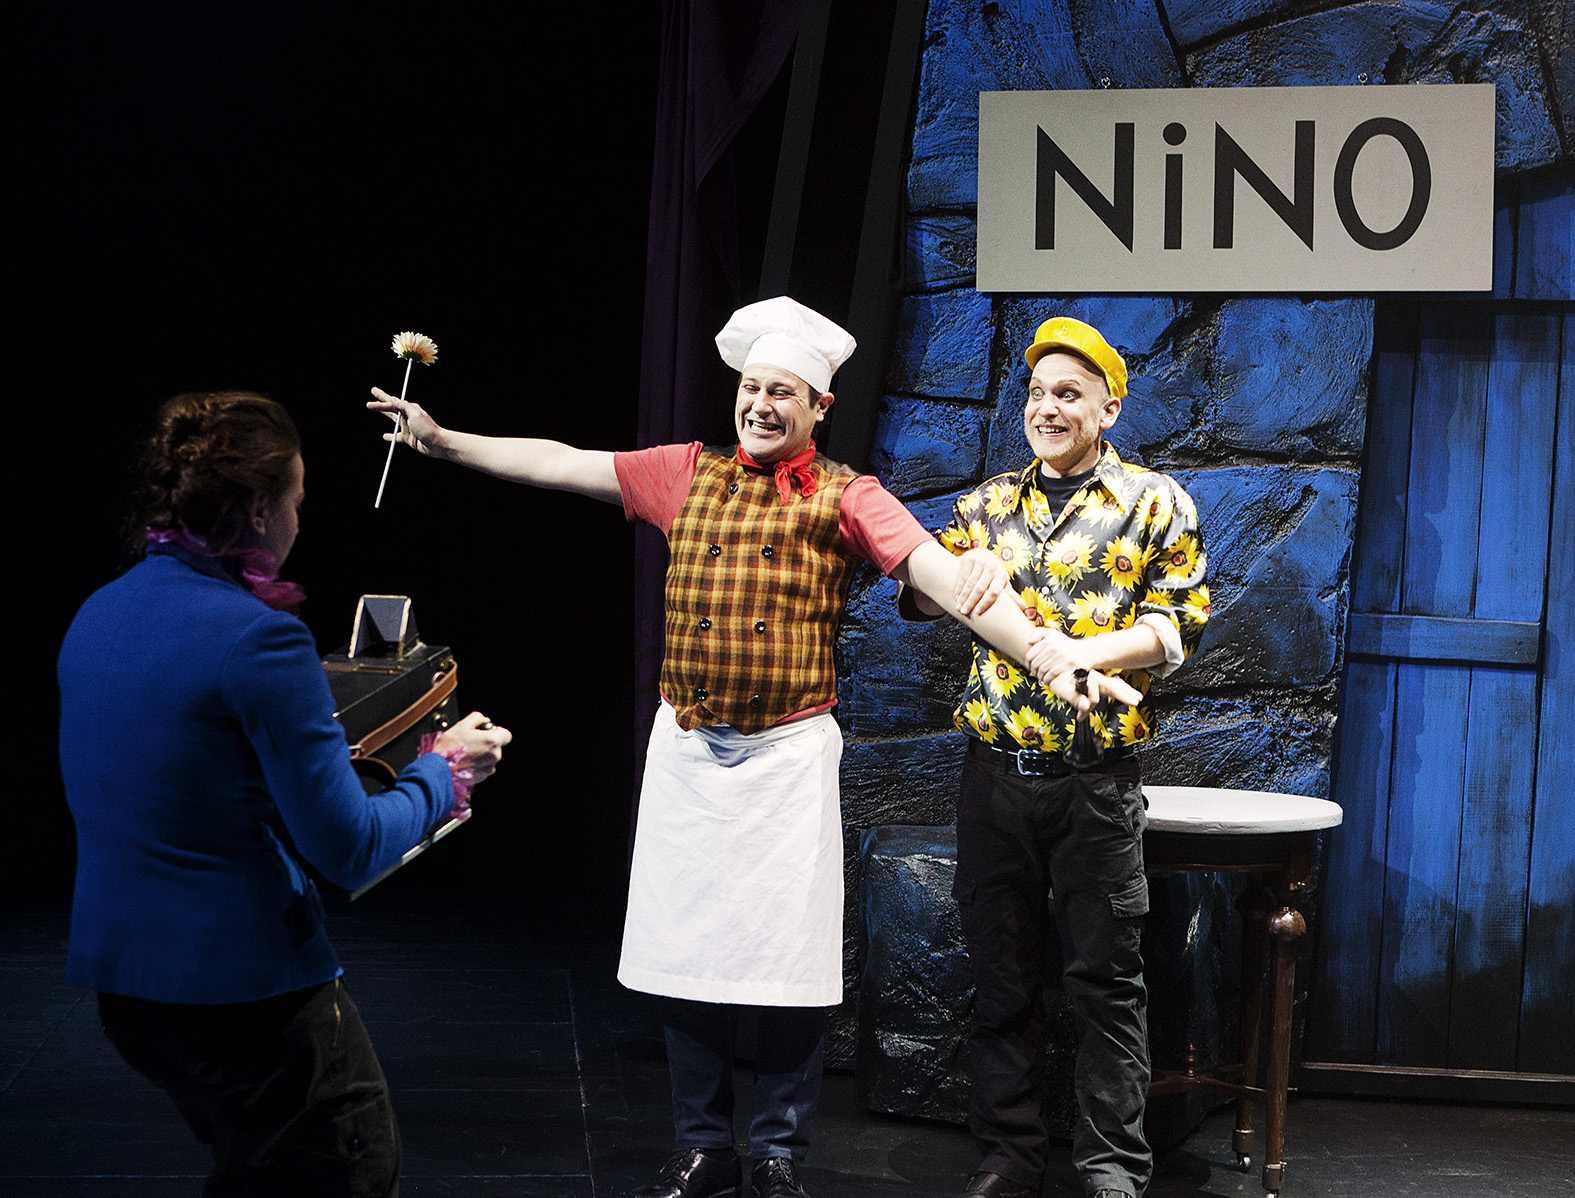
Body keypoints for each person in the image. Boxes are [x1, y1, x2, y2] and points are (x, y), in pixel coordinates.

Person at [368, 297, 1131, 1198]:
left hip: (785, 756)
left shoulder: (849, 495)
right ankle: (703, 1145)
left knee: (785, 963)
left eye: (783, 393)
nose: (761, 405)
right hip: (690, 751)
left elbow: (949, 581)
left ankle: (774, 1152)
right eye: (751, 388)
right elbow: (563, 463)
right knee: (684, 953)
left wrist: (1053, 659)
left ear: (819, 408)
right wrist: (443, 441)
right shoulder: (682, 474)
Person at [58, 391, 513, 1198]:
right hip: (243, 995)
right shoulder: (260, 638)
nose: (301, 522)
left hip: (128, 991)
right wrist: (442, 771)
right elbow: (349, 850)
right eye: (297, 501)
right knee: (348, 1174)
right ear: (260, 510)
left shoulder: (99, 610)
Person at [902, 318, 1209, 1198]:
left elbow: (1177, 626)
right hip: (994, 776)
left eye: (1067, 394)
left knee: (1105, 983)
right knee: (1000, 979)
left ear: (1107, 410)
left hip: (1093, 785)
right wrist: (945, 581)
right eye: (1036, 394)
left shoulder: (1154, 502)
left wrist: (1075, 656)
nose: (1046, 408)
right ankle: (1007, 1156)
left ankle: (1111, 1168)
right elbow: (916, 598)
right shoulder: (985, 507)